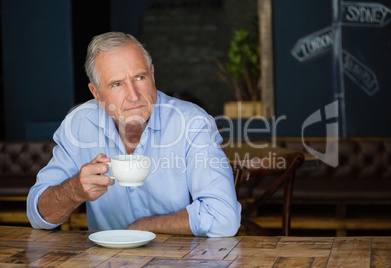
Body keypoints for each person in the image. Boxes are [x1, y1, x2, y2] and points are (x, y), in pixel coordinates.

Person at [27, 32, 241, 237]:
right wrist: (74, 190)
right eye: (117, 84)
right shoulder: (79, 125)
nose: (133, 95)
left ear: (153, 76)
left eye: (139, 77)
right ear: (97, 94)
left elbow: (223, 217)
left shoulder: (191, 122)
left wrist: (146, 226)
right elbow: (38, 215)